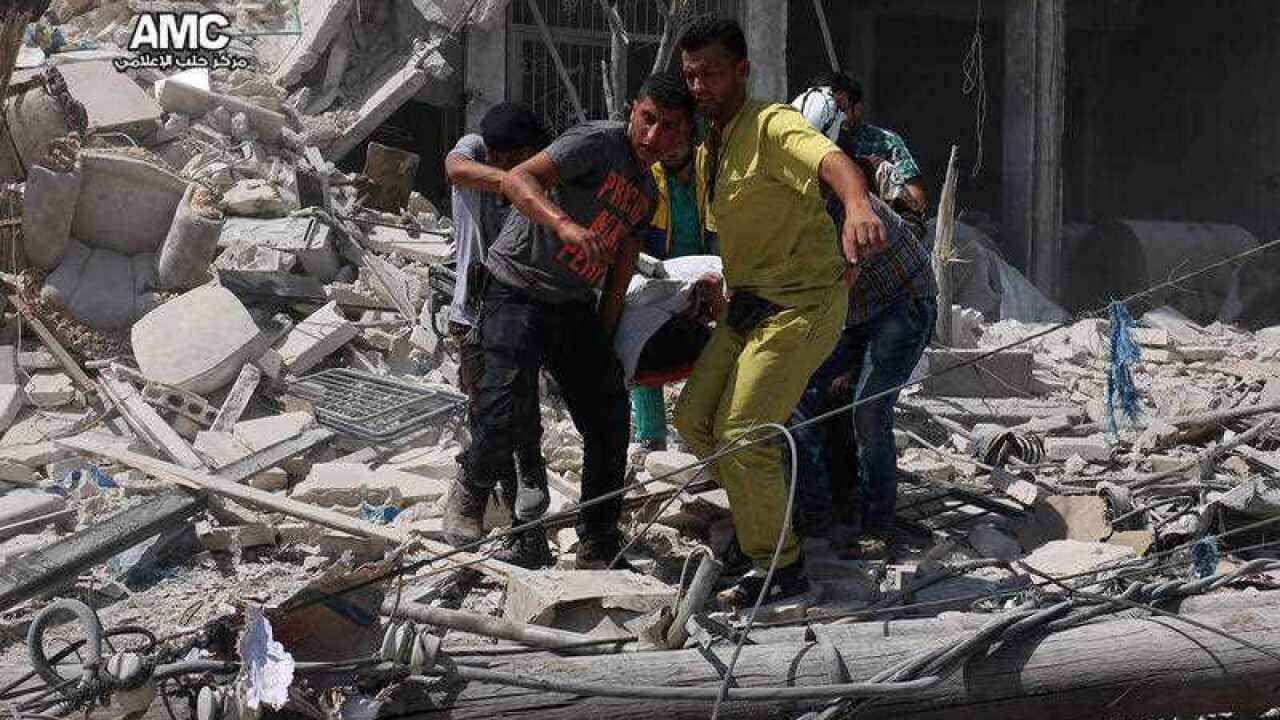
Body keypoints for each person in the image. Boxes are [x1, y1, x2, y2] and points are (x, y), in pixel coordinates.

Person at [672, 16, 889, 608]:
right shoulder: (711, 148)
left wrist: (857, 205)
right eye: (691, 75)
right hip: (748, 304)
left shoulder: (772, 124)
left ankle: (780, 564)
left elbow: (831, 161)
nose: (700, 86)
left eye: (712, 73)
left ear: (742, 70)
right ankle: (758, 521)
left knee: (744, 433)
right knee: (694, 420)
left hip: (801, 305)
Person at [441, 71, 697, 570]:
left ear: (684, 133)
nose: (653, 136)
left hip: (573, 304)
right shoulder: (596, 143)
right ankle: (471, 488)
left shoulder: (647, 190)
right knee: (503, 408)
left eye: (669, 127)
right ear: (634, 109)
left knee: (609, 415)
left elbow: (622, 267)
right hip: (515, 287)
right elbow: (520, 178)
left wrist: (606, 338)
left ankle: (598, 539)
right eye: (648, 119)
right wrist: (565, 226)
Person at [788, 77, 938, 558]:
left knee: (868, 409)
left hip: (903, 301)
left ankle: (878, 521)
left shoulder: (848, 192)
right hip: (859, 308)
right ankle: (816, 512)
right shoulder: (801, 190)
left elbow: (837, 284)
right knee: (800, 396)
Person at [441, 103, 550, 552]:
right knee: (491, 416)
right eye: (504, 157)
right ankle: (491, 510)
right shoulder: (476, 150)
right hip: (473, 310)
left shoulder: (542, 176)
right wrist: (514, 181)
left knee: (519, 411)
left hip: (519, 310)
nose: (508, 163)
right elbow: (455, 168)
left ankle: (526, 532)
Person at [630, 133, 717, 451]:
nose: (667, 150)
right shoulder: (648, 177)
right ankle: (651, 435)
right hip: (661, 275)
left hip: (704, 273)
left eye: (674, 140)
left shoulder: (708, 171)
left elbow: (718, 226)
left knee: (710, 352)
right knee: (642, 345)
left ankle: (700, 432)